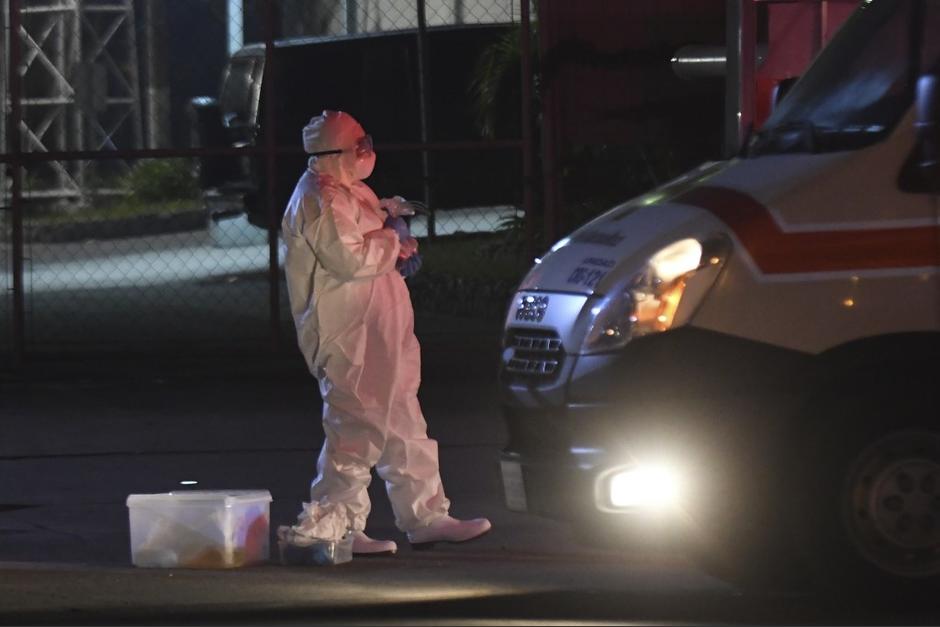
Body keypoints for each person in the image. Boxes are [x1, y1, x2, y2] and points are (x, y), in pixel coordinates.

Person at [280, 110, 492, 555]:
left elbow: (366, 241)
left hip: (378, 328)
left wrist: (391, 232)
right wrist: (393, 241)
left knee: (403, 422)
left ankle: (426, 516)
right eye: (359, 144)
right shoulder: (319, 199)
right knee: (356, 425)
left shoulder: (346, 190)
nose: (367, 152)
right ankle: (337, 524)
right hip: (349, 335)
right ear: (336, 152)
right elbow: (350, 260)